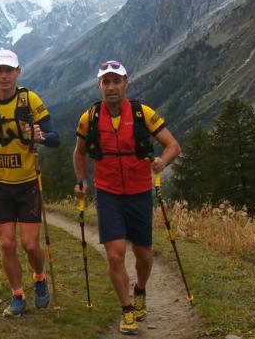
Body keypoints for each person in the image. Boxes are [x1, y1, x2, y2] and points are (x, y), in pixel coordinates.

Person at [73, 60, 181, 335]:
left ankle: (140, 290)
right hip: (108, 193)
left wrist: (161, 162)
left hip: (139, 192)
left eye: (116, 81)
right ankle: (126, 309)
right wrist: (82, 180)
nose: (111, 87)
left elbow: (172, 145)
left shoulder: (142, 113)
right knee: (115, 255)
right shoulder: (90, 118)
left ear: (125, 83)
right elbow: (79, 153)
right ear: (99, 85)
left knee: (143, 254)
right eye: (106, 82)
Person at [0, 49, 60, 317]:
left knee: (30, 245)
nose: (4, 76)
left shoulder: (30, 100)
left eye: (9, 70)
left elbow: (55, 138)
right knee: (7, 244)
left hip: (28, 183)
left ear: (18, 72)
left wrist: (41, 136)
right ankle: (17, 295)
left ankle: (39, 277)